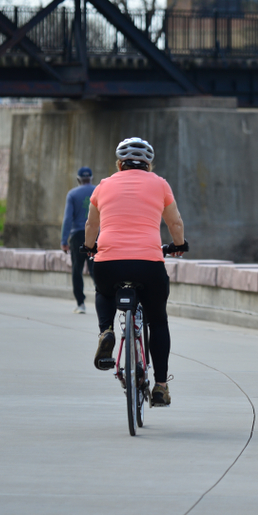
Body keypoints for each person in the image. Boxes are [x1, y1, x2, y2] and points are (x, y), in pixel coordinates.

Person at [82, 138, 187, 407]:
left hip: (109, 262)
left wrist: (89, 248)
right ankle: (161, 386)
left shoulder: (103, 185)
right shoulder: (160, 184)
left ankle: (106, 331)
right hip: (148, 263)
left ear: (119, 164)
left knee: (103, 290)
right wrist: (178, 245)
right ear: (149, 165)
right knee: (158, 322)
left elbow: (91, 224)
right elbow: (174, 221)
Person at [61, 167, 96, 314]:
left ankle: (81, 303)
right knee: (96, 269)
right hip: (95, 235)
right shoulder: (98, 191)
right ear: (91, 178)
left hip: (77, 236)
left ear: (78, 180)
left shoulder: (72, 194)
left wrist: (64, 240)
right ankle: (103, 297)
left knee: (77, 269)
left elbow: (68, 219)